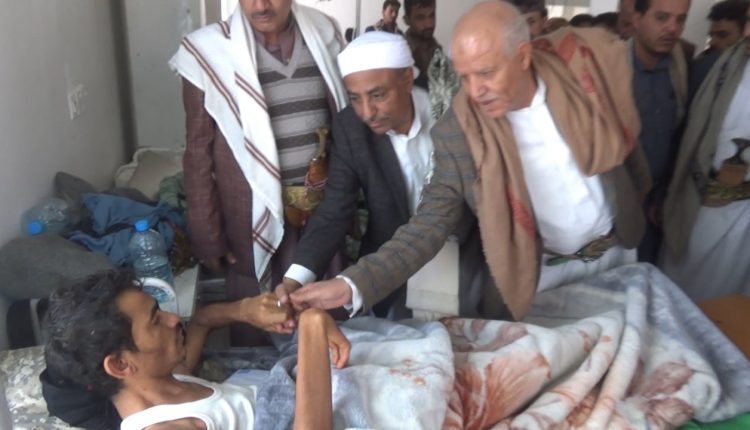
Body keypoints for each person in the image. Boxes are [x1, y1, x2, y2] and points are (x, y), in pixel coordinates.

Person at [289, 1, 650, 322]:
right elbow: (429, 223)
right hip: (539, 272)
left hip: (617, 254)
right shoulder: (461, 130)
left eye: (486, 73)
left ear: (523, 56)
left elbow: (628, 149)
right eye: (464, 77)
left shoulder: (580, 75)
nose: (475, 91)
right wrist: (353, 284)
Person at [274, 32, 493, 321]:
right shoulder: (351, 128)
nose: (367, 112)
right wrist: (296, 277)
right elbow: (335, 210)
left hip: (464, 256)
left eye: (378, 95)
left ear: (407, 78)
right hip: (390, 266)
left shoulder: (452, 111)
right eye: (355, 98)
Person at [169, 0, 348, 344]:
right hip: (251, 218)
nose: (261, 5)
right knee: (259, 325)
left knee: (328, 324)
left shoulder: (323, 33)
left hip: (322, 214)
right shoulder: (208, 52)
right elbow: (198, 152)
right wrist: (208, 235)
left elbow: (346, 121)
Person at [43, 269, 349, 429]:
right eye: (155, 320)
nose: (174, 319)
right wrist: (311, 328)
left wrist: (245, 310)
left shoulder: (170, 378)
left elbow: (202, 321)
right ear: (121, 365)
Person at [662, 10, 750, 301]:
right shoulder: (722, 67)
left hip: (743, 218)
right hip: (698, 200)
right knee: (678, 288)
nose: (747, 33)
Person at [629, 0, 691, 264]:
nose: (672, 28)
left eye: (680, 19)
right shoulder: (610, 69)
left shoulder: (681, 69)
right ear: (637, 19)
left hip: (659, 201)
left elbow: (680, 136)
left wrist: (665, 193)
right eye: (662, 18)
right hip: (619, 199)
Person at [691, 0, 749, 95]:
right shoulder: (703, 65)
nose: (712, 42)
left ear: (744, 36)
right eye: (711, 36)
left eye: (723, 35)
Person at [403, 0, 439, 90]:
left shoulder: (435, 47)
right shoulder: (403, 55)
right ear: (407, 20)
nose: (429, 24)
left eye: (432, 15)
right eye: (420, 18)